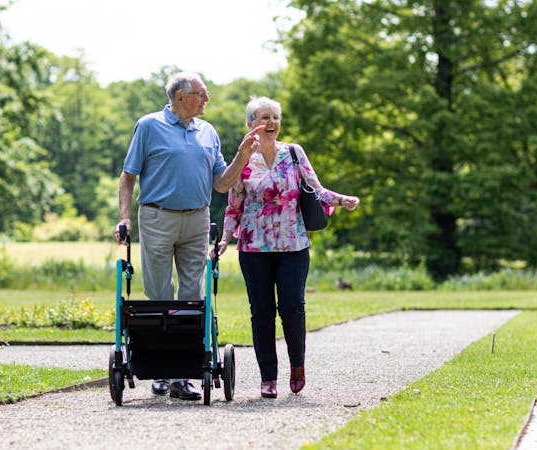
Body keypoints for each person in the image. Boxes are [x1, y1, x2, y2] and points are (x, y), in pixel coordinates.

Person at [115, 72, 264, 400]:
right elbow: (128, 177)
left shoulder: (207, 132)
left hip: (197, 219)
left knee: (191, 298)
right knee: (159, 295)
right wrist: (124, 217)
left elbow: (222, 184)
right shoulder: (149, 126)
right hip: (156, 217)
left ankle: (182, 374)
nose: (206, 99)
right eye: (201, 94)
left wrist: (242, 154)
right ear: (180, 96)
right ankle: (160, 372)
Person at [214, 97, 359, 398]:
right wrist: (226, 238)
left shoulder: (293, 153)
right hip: (254, 247)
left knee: (292, 307)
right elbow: (233, 205)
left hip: (293, 244)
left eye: (276, 117)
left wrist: (340, 199)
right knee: (262, 312)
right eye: (264, 117)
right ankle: (268, 377)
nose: (271, 123)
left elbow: (315, 189)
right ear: (250, 124)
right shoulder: (242, 160)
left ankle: (297, 365)